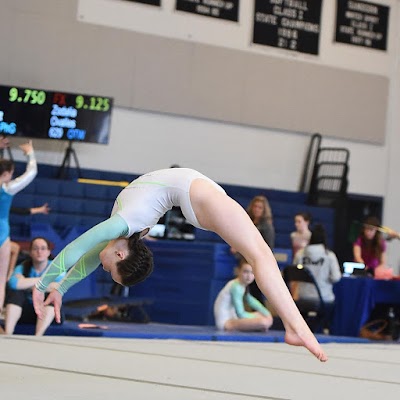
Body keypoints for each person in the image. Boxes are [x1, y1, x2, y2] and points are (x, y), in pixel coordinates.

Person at [33, 167, 327, 361]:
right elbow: (84, 257)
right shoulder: (124, 229)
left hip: (195, 193)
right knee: (260, 254)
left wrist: (47, 285)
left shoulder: (122, 226)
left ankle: (296, 326)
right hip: (196, 194)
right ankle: (296, 327)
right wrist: (58, 286)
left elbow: (77, 251)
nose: (103, 266)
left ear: (120, 255)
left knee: (261, 254)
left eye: (109, 271)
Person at [0, 140, 37, 311]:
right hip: (2, 233)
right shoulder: (8, 188)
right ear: (6, 174)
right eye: (12, 173)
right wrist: (30, 153)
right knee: (0, 280)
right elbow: (31, 172)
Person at [4, 237, 64, 335]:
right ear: (30, 252)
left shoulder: (56, 268)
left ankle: (38, 336)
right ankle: (7, 334)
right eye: (35, 248)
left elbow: (58, 286)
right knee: (15, 294)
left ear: (49, 252)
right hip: (25, 312)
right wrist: (43, 281)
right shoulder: (22, 267)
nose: (39, 251)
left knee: (52, 295)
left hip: (49, 314)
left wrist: (25, 283)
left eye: (43, 248)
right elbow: (14, 284)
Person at [293, 224, 342, 332]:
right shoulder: (329, 256)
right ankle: (325, 329)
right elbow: (336, 277)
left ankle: (305, 329)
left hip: (302, 298)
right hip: (323, 299)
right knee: (332, 305)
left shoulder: (300, 254)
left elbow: (294, 274)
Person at [230, 195, 275, 303]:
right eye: (255, 206)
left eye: (260, 207)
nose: (257, 209)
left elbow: (268, 246)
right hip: (245, 260)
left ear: (264, 210)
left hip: (257, 262)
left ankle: (261, 315)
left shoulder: (267, 226)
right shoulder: (247, 221)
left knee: (255, 291)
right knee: (243, 291)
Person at [214, 257, 273, 332]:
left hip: (232, 319)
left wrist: (266, 313)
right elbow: (240, 314)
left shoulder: (242, 285)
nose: (249, 276)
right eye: (245, 272)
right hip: (225, 322)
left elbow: (251, 301)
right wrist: (257, 315)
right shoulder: (236, 286)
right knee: (264, 322)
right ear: (238, 271)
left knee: (265, 320)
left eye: (252, 273)